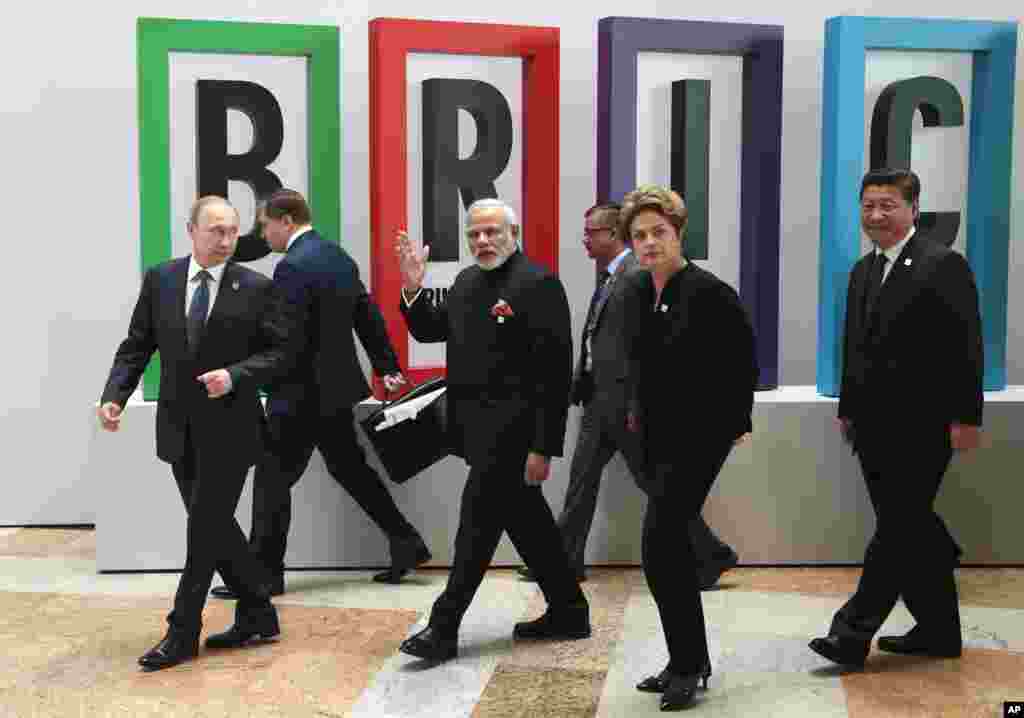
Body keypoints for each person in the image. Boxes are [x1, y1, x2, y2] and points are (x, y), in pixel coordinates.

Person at [97, 196, 293, 670]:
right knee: (217, 529)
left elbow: (282, 354)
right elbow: (137, 344)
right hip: (178, 429)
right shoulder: (161, 278)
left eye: (232, 231)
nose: (226, 240)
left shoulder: (256, 286)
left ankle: (182, 631)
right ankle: (259, 613)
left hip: (233, 430)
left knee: (204, 530)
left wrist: (237, 376)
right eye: (216, 231)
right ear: (192, 230)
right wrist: (115, 394)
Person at [393, 198, 590, 662]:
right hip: (474, 435)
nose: (482, 242)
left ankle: (443, 627)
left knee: (474, 532)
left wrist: (543, 448)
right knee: (531, 527)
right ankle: (570, 610)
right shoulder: (465, 282)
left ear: (514, 233)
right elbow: (428, 329)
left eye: (491, 233)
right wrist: (413, 286)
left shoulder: (539, 283)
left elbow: (554, 375)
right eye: (474, 235)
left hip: (516, 441)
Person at [210, 189, 431, 600]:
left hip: (297, 395)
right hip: (336, 391)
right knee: (351, 470)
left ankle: (264, 575)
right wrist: (387, 367)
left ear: (286, 221)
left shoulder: (292, 267)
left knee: (272, 480)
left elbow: (286, 340)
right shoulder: (337, 257)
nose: (264, 234)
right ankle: (406, 542)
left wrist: (249, 371)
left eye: (265, 225)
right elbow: (366, 315)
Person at [808, 168, 984, 668]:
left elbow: (966, 346)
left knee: (896, 529)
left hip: (923, 425)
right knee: (907, 526)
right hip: (871, 426)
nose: (877, 215)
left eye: (888, 205)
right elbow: (854, 348)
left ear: (912, 209)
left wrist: (966, 418)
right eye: (868, 205)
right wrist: (847, 408)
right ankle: (939, 631)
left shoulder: (942, 264)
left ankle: (851, 632)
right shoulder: (864, 270)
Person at [517, 202, 738, 588]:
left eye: (591, 232)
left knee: (654, 484)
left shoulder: (638, 275)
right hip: (599, 399)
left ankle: (711, 553)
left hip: (624, 404)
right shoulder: (612, 276)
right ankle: (566, 559)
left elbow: (643, 347)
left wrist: (637, 402)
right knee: (582, 479)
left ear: (612, 234)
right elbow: (596, 337)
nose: (585, 240)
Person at [623, 185, 757, 710]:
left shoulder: (709, 291)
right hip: (657, 437)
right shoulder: (639, 290)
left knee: (660, 546)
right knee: (670, 549)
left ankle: (687, 665)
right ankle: (689, 660)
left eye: (659, 232)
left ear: (679, 233)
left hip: (699, 439)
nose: (649, 242)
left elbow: (743, 363)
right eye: (639, 235)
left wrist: (733, 422)